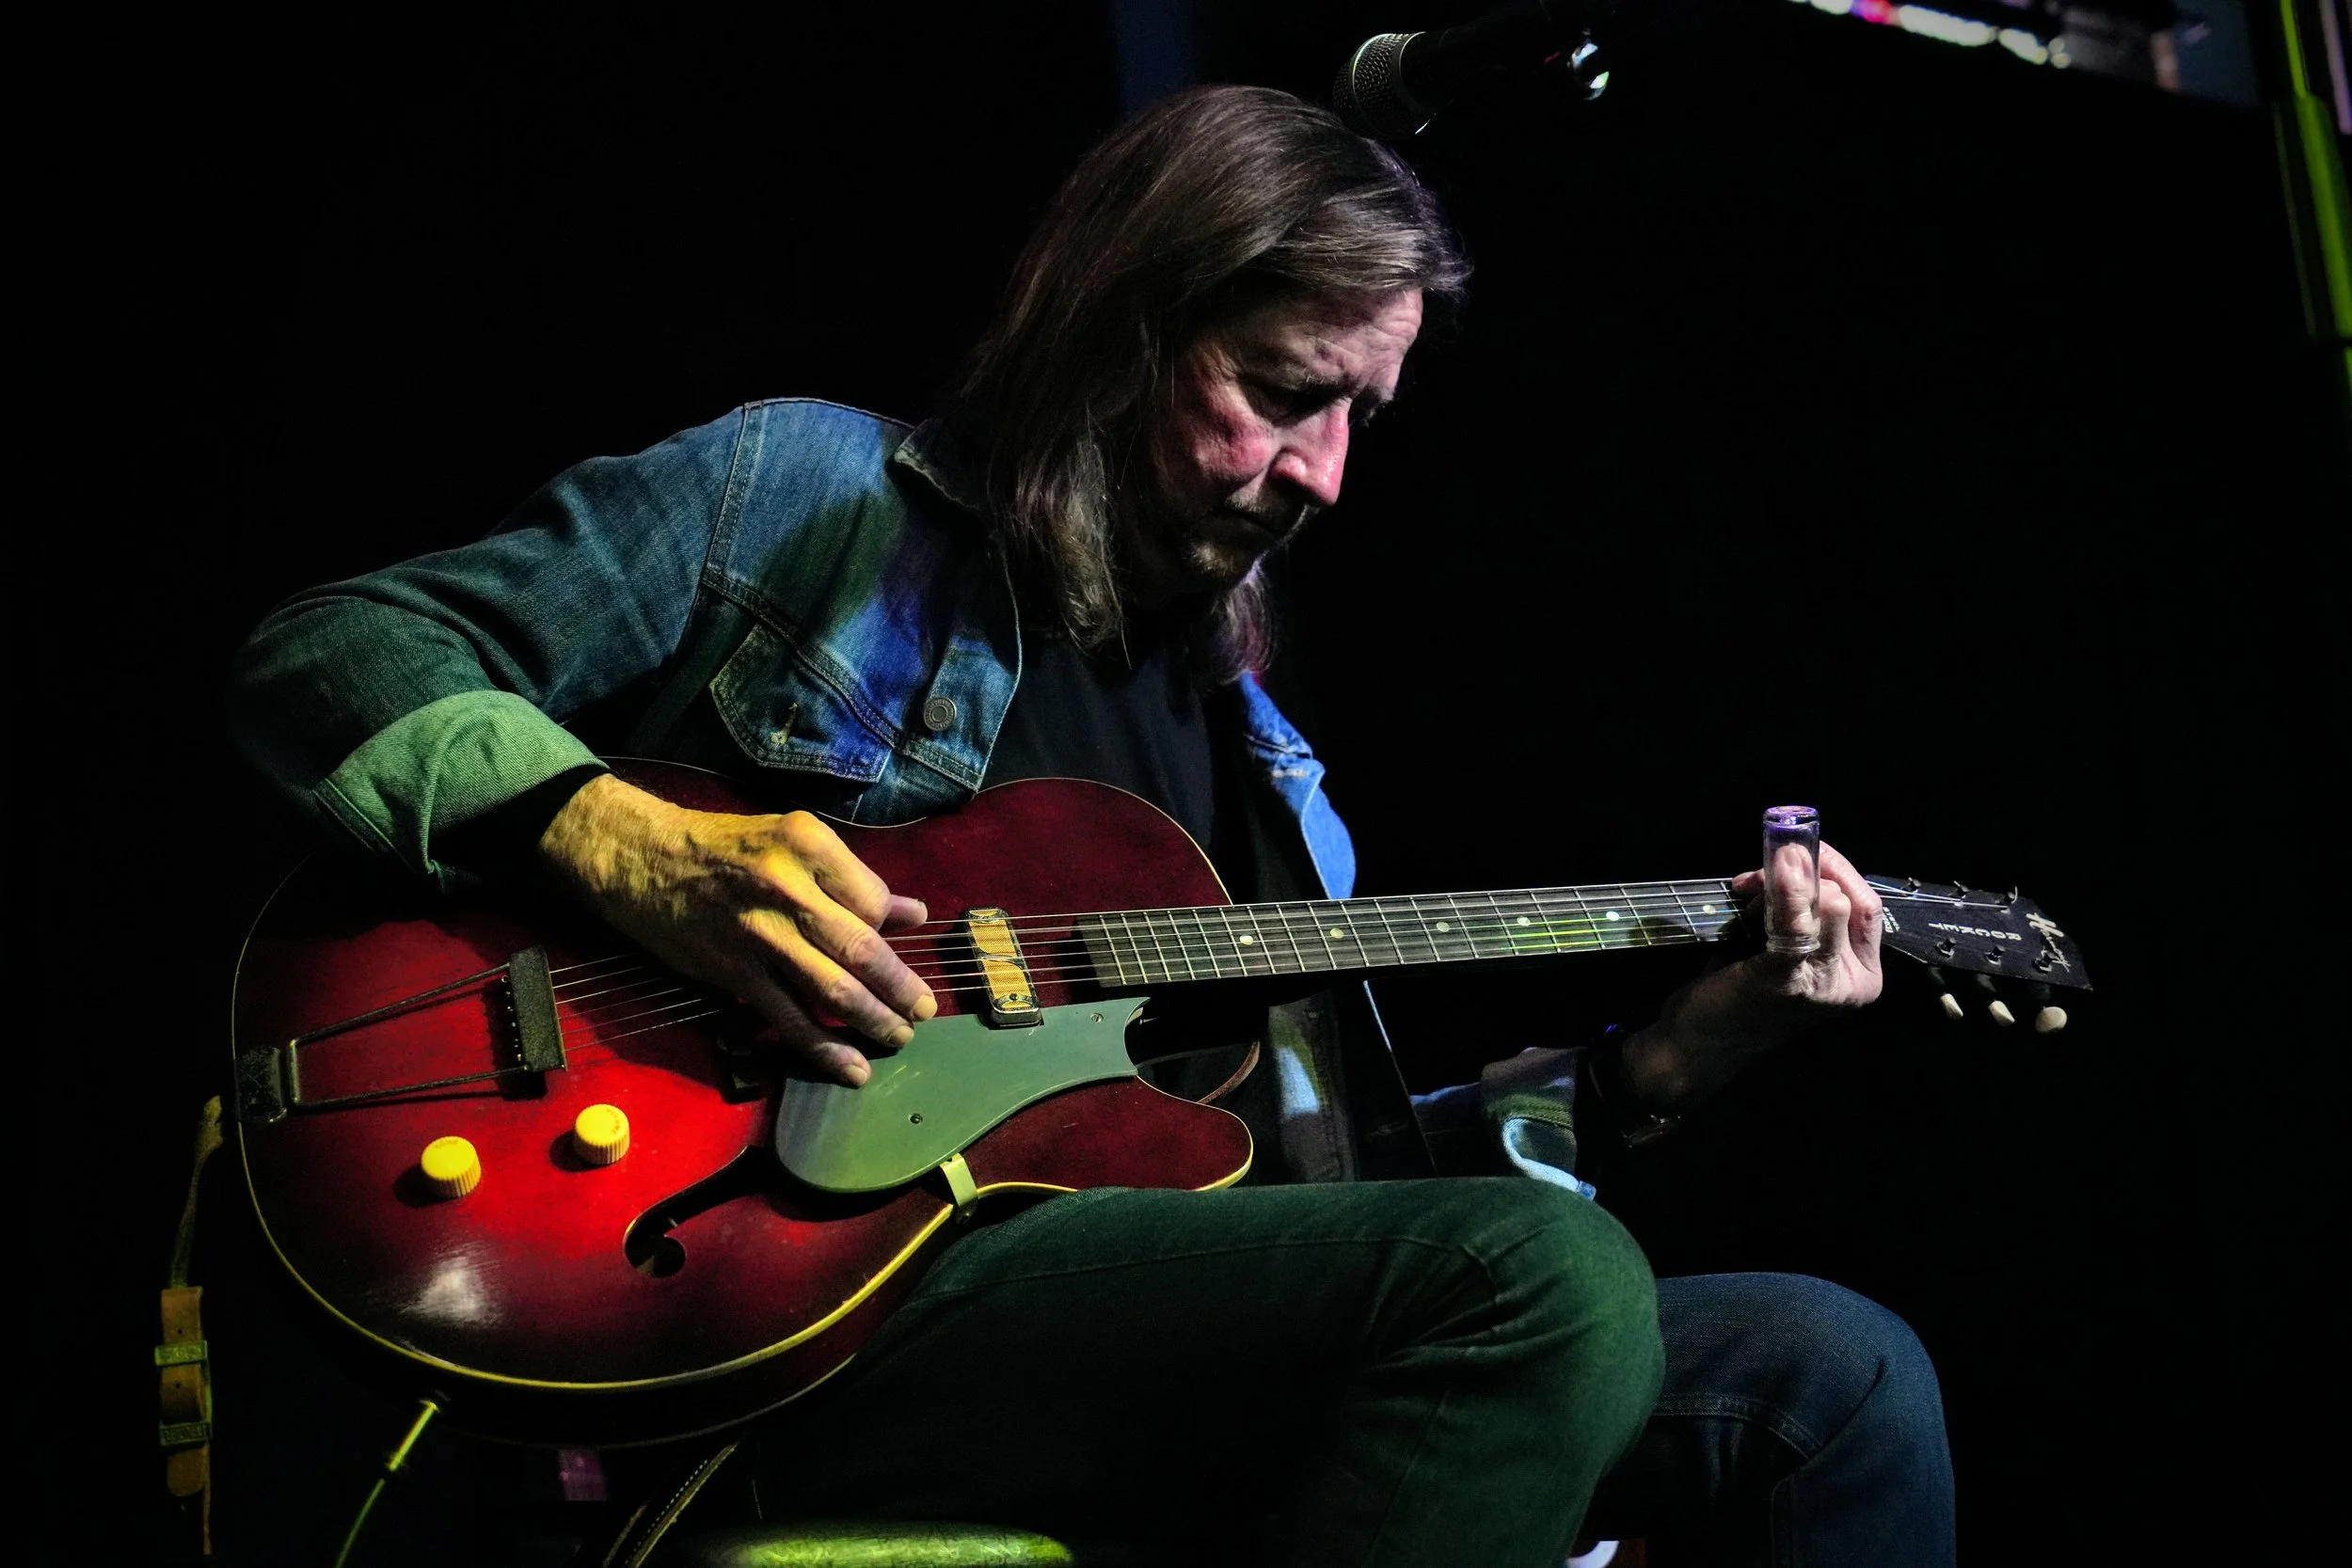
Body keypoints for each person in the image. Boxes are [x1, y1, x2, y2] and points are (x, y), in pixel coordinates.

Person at [229, 85, 1953, 1567]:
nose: (1325, 473)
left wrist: (1660, 1069)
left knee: (1834, 1373)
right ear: (1125, 324)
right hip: (822, 1305)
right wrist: (630, 844)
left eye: (1361, 416)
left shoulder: (1271, 778)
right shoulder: (815, 498)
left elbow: (1327, 1202)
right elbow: (325, 658)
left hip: (1141, 1332)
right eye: (1282, 390)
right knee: (1544, 1278)